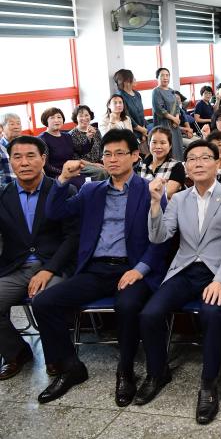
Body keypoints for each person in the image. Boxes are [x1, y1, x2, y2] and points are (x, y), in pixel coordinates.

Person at [32, 129, 168, 405]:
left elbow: (161, 239)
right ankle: (71, 367)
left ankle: (125, 370)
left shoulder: (149, 189)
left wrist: (139, 269)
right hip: (95, 269)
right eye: (107, 154)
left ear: (135, 155)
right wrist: (62, 180)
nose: (113, 159)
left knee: (127, 306)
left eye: (120, 153)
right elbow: (55, 213)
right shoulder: (91, 190)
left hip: (132, 268)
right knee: (44, 302)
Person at [141, 140, 221, 423]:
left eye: (205, 158)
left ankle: (208, 385)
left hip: (218, 271)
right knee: (150, 313)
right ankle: (157, 372)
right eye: (192, 159)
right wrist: (154, 203)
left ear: (217, 163)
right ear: (186, 167)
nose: (198, 163)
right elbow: (159, 237)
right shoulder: (178, 199)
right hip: (185, 270)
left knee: (211, 314)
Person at [0, 136, 79, 380]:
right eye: (17, 157)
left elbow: (72, 237)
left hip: (53, 266)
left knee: (46, 300)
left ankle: (55, 357)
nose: (24, 162)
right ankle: (17, 352)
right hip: (16, 267)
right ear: (10, 162)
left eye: (30, 156)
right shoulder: (3, 196)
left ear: (43, 159)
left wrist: (50, 269)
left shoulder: (63, 189)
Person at [39, 108, 85, 189]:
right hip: (55, 175)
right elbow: (46, 166)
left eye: (59, 117)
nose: (56, 120)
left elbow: (79, 151)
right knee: (75, 186)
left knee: (88, 183)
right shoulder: (42, 139)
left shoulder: (67, 136)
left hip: (71, 170)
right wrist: (64, 172)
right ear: (46, 121)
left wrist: (89, 138)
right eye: (52, 118)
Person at [136, 127, 185, 200]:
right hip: (143, 209)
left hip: (168, 210)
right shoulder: (140, 166)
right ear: (149, 144)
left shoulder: (177, 166)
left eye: (163, 143)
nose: (158, 146)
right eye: (154, 142)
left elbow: (168, 193)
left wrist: (143, 190)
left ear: (170, 145)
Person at [68, 104, 108, 181]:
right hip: (83, 165)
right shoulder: (72, 134)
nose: (84, 118)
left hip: (98, 161)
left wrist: (105, 159)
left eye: (86, 115)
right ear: (76, 118)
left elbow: (102, 147)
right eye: (81, 116)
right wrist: (93, 164)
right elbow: (76, 158)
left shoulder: (96, 130)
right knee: (102, 172)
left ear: (90, 116)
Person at [152, 67, 184, 160]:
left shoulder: (171, 90)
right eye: (162, 75)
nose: (165, 77)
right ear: (157, 78)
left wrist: (177, 118)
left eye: (167, 75)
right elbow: (160, 110)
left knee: (177, 146)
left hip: (175, 125)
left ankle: (179, 167)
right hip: (164, 125)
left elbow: (177, 106)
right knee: (168, 148)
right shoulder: (156, 91)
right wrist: (173, 119)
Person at [113, 70, 149, 148]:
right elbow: (127, 116)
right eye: (133, 78)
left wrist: (143, 131)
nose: (135, 79)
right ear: (126, 82)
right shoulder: (120, 96)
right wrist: (141, 130)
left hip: (143, 130)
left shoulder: (137, 94)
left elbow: (141, 113)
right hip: (132, 133)